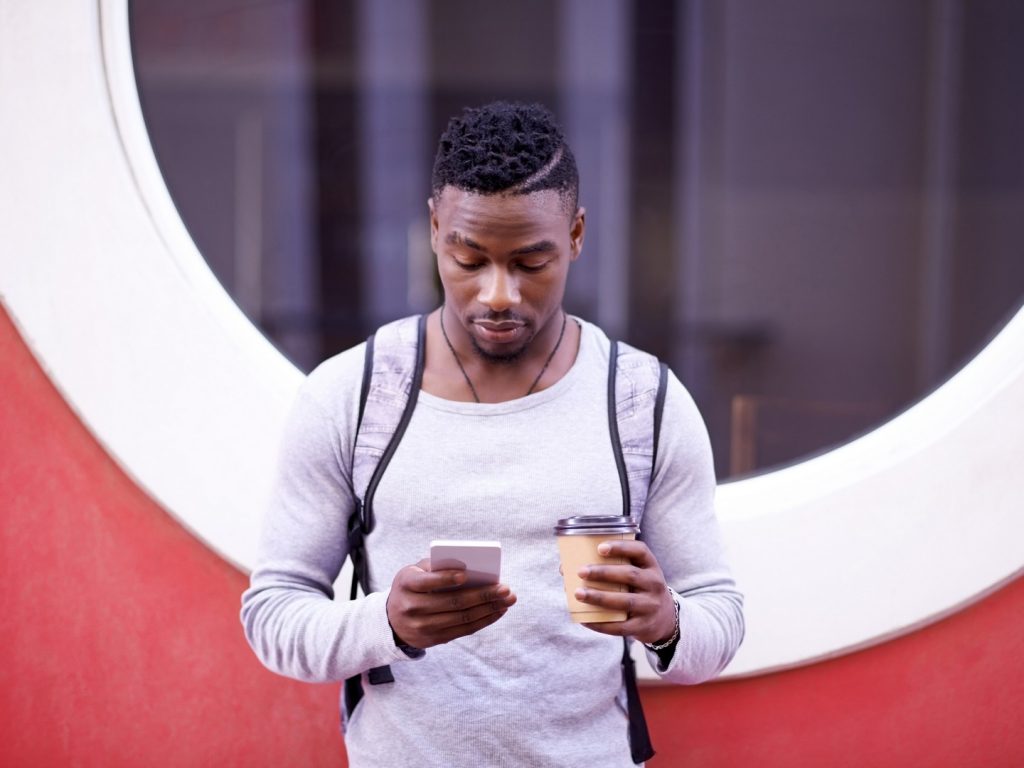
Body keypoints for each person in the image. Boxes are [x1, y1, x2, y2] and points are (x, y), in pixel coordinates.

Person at [241, 101, 744, 767]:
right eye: (469, 258)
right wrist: (383, 622)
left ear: (576, 235)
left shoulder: (642, 401)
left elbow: (721, 617)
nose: (498, 293)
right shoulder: (353, 396)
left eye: (530, 262)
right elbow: (273, 615)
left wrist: (666, 621)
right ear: (433, 229)